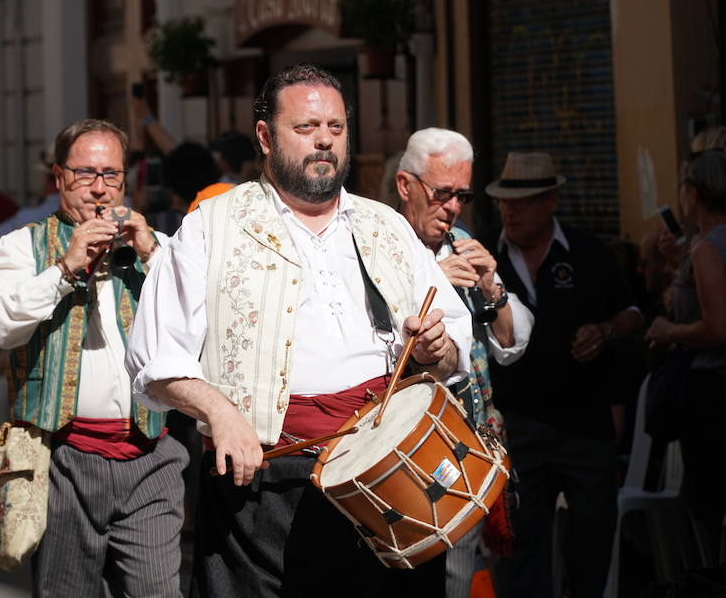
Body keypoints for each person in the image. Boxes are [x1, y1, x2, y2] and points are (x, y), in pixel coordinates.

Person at [126, 64, 473, 597]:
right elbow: (155, 359)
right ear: (265, 136)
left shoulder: (387, 225)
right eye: (307, 128)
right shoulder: (210, 227)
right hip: (265, 483)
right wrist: (220, 411)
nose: (324, 143)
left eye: (335, 128)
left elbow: (453, 347)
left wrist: (436, 348)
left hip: (385, 478)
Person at [0, 118, 187, 597]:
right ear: (58, 178)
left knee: (157, 591)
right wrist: (65, 267)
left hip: (150, 454)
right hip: (63, 458)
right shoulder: (20, 248)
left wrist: (152, 252)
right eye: (85, 174)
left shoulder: (155, 246)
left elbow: (199, 320)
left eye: (111, 175)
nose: (99, 189)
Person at [482, 152, 642, 598]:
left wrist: (606, 331)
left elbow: (631, 313)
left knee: (590, 541)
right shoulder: (486, 261)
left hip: (585, 426)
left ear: (551, 201)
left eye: (524, 202)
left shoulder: (588, 252)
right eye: (504, 202)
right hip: (516, 427)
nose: (510, 211)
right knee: (517, 552)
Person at [395, 128, 534, 597]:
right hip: (404, 451)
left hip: (466, 449)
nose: (453, 208)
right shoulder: (381, 246)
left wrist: (492, 286)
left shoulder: (462, 242)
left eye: (463, 195)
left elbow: (509, 346)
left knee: (458, 574)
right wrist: (433, 284)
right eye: (442, 194)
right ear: (405, 186)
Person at [644, 149, 726, 563]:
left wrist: (669, 330)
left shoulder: (707, 248)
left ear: (692, 194)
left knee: (707, 504)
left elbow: (718, 328)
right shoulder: (700, 247)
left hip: (712, 393)